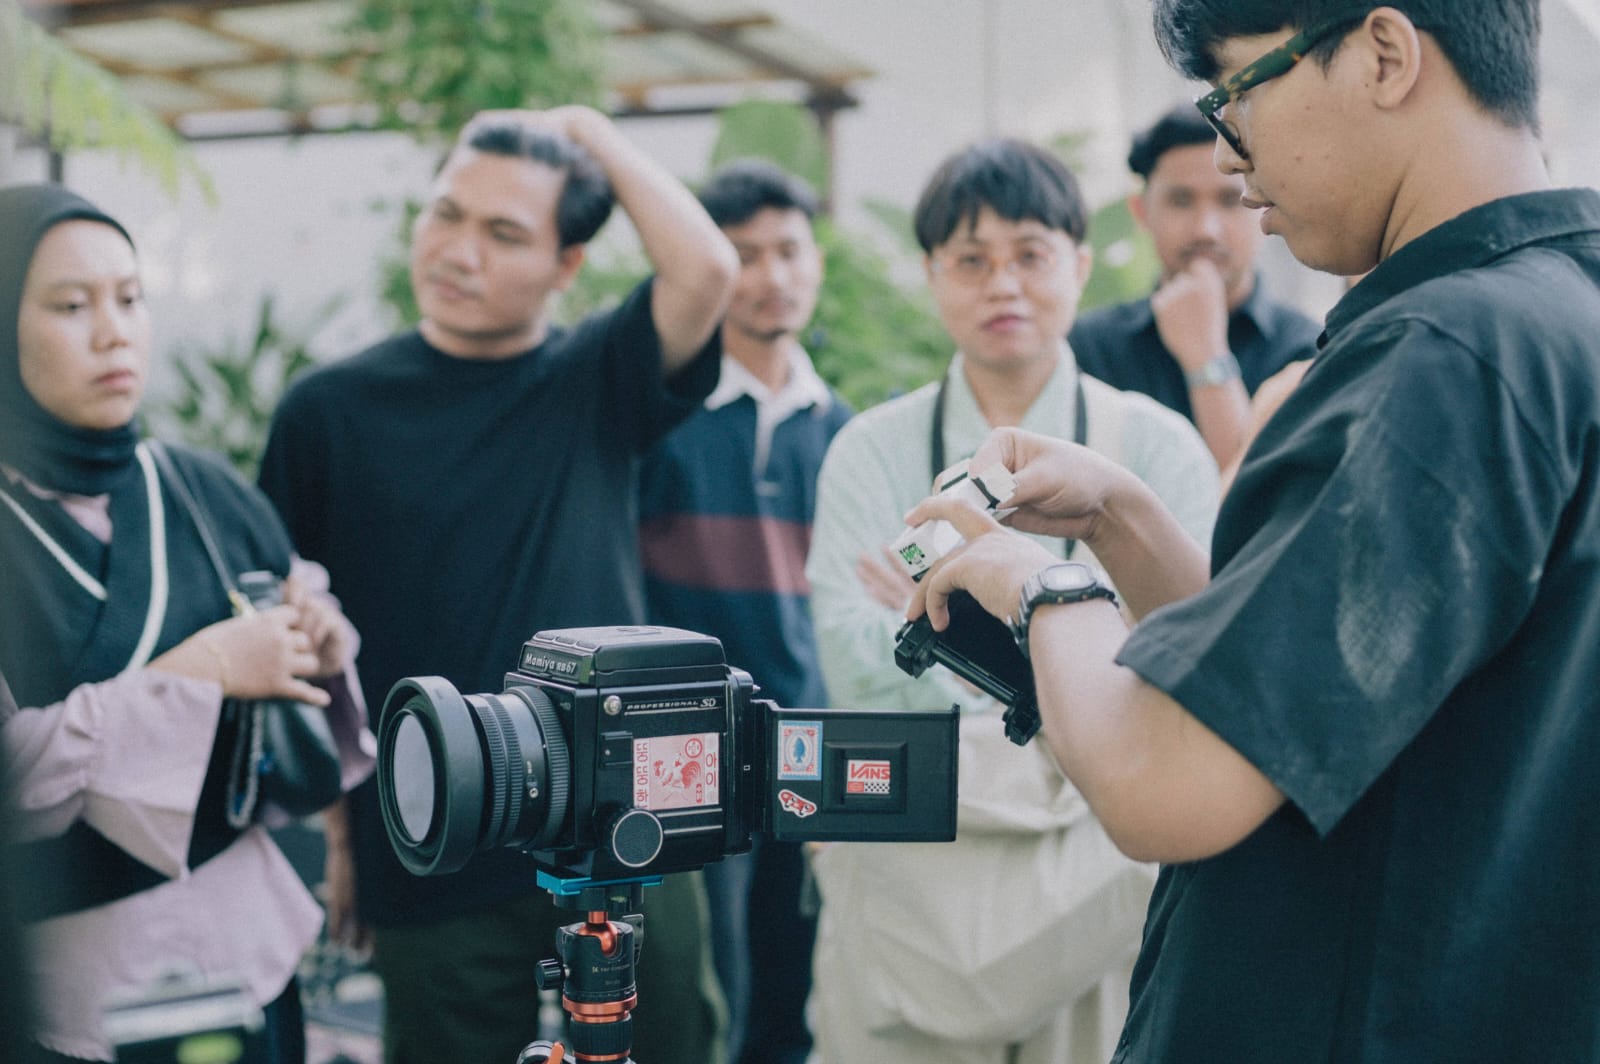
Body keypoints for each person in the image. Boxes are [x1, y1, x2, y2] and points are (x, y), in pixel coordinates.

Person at [904, 2, 1600, 1060]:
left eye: (1235, 95)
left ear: (1382, 53)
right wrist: (1120, 518)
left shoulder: (1441, 352)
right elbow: (1290, 707)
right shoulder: (1557, 311)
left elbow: (1162, 782)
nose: (1235, 161)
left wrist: (1037, 585)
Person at [258, 107, 737, 1064]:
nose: (456, 250)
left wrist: (590, 132)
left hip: (627, 818)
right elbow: (299, 642)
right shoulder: (329, 411)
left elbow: (708, 270)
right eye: (446, 214)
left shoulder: (599, 375)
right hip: (436, 822)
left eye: (504, 232)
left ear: (566, 267)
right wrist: (346, 840)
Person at [803, 139, 1218, 1064]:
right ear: (930, 275)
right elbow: (849, 661)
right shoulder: (867, 450)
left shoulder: (1158, 448)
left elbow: (1196, 666)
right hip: (909, 878)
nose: (1004, 285)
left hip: (1102, 883)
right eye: (971, 259)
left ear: (1079, 262)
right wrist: (1084, 634)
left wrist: (937, 612)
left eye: (1030, 254)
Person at [0, 183, 374, 1063]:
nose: (113, 331)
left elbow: (307, 637)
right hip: (67, 994)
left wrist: (315, 644)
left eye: (130, 299)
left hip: (243, 953)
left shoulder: (202, 490)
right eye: (70, 305)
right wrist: (200, 671)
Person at [637, 160, 848, 1064]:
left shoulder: (844, 431)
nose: (772, 276)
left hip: (805, 741)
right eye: (744, 255)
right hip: (680, 745)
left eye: (789, 251)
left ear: (816, 263)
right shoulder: (656, 416)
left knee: (797, 981)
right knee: (698, 985)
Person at [1068, 104, 1319, 467]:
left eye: (1230, 200)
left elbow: (1260, 505)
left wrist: (1207, 358)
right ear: (1141, 211)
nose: (1205, 229)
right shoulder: (1089, 348)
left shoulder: (1307, 351)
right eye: (1181, 201)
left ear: (1263, 205)